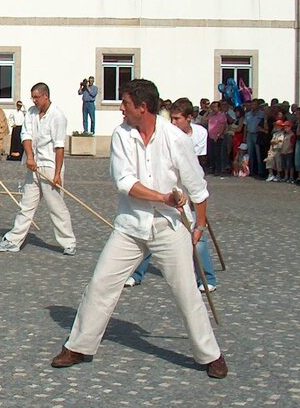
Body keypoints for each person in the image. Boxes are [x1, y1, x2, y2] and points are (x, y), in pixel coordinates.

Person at [50, 79, 227, 379]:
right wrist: (163, 197)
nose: (121, 108)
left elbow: (198, 188)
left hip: (169, 226)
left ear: (142, 107)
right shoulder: (121, 135)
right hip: (130, 225)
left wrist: (198, 227)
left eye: (125, 103)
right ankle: (79, 345)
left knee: (186, 292)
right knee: (100, 284)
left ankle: (210, 355)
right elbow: (125, 182)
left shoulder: (175, 138)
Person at [125, 98, 217, 291]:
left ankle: (206, 278)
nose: (174, 122)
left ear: (189, 118)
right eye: (172, 118)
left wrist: (194, 198)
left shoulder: (198, 134)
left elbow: (197, 167)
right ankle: (136, 273)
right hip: (166, 191)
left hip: (188, 189)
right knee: (148, 230)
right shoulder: (163, 133)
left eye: (178, 119)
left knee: (197, 235)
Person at [0, 83, 76, 255]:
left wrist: (58, 174)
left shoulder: (57, 116)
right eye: (33, 97)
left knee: (56, 207)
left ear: (46, 96)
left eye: (37, 97)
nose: (34, 101)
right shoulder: (31, 112)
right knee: (26, 205)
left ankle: (68, 242)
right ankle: (13, 241)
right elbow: (26, 135)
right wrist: (29, 157)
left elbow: (60, 147)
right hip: (33, 165)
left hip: (50, 166)